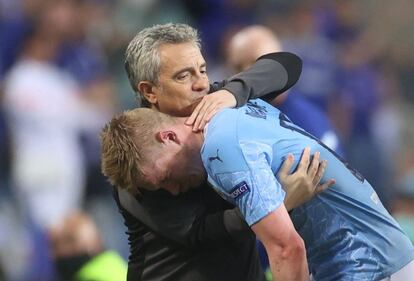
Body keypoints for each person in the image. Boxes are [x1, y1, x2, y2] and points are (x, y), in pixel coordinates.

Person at [103, 100, 414, 281]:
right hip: (376, 254)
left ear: (168, 137)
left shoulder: (220, 150)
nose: (172, 191)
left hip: (368, 266)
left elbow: (286, 249)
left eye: (165, 176)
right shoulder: (237, 110)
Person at [112, 23, 329, 281]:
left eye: (202, 70)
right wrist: (278, 201)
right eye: (183, 76)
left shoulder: (217, 102)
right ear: (149, 91)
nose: (201, 83)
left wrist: (233, 92)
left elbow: (286, 65)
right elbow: (200, 232)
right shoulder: (139, 155)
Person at [226, 25, 343, 155]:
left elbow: (336, 173)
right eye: (238, 66)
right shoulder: (227, 119)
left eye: (257, 63)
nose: (246, 72)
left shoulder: (309, 122)